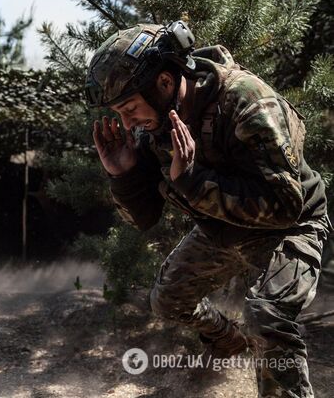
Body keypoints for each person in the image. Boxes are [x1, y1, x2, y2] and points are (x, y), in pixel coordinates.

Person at [86, 22, 331, 397]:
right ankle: (230, 341)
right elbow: (145, 218)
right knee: (167, 301)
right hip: (224, 228)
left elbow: (283, 206)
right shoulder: (155, 126)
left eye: (130, 109)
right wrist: (124, 176)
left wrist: (194, 183)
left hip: (294, 226)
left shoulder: (247, 102)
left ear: (165, 83)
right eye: (120, 113)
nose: (127, 122)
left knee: (266, 316)